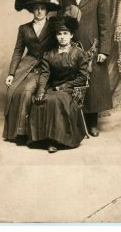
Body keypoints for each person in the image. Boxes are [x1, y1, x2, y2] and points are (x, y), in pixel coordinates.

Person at [59, 0, 113, 137]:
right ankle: (75, 123)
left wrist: (104, 50)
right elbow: (61, 25)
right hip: (71, 47)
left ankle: (92, 124)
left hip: (92, 48)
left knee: (93, 86)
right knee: (73, 83)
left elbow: (105, 26)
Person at [3, 0, 60, 143]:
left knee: (27, 91)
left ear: (47, 10)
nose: (39, 11)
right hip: (27, 65)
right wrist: (11, 73)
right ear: (31, 10)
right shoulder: (24, 28)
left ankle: (23, 133)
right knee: (13, 92)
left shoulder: (54, 26)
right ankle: (13, 132)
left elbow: (66, 31)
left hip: (47, 66)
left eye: (42, 8)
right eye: (36, 8)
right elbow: (18, 51)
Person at [27, 16, 88, 153]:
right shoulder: (49, 54)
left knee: (55, 100)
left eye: (65, 33)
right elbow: (45, 74)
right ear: (56, 36)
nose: (62, 37)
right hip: (52, 87)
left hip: (70, 90)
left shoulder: (78, 53)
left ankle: (56, 140)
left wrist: (63, 87)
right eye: (59, 34)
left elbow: (83, 77)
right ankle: (40, 138)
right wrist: (41, 89)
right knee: (39, 99)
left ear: (71, 35)